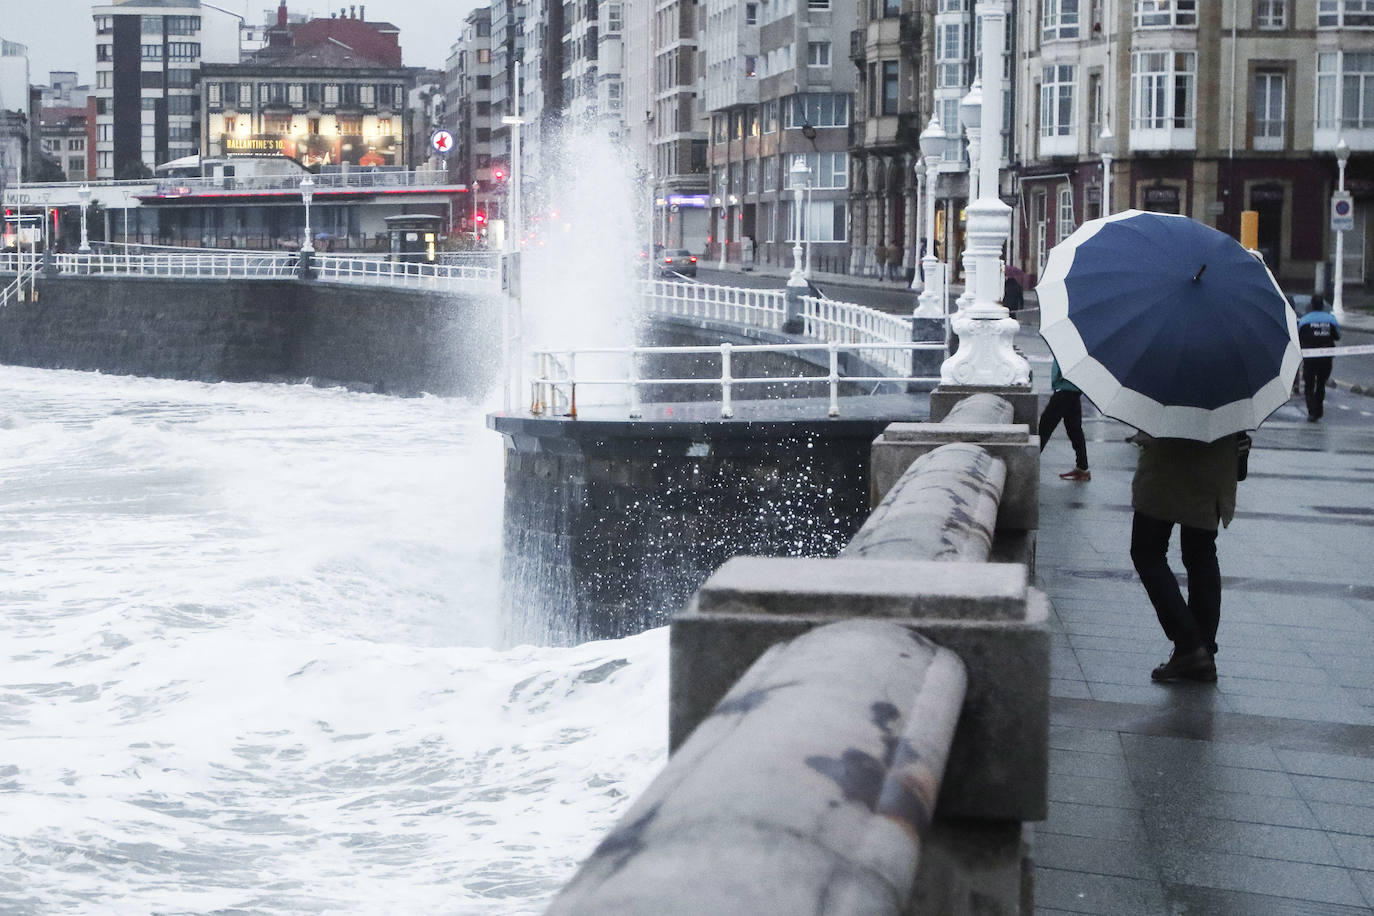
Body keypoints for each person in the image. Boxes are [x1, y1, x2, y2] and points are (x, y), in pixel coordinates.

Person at [1130, 433, 1244, 682]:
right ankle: (1203, 650)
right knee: (1200, 553)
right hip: (1216, 462)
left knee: (1147, 551)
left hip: (1166, 464)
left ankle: (1190, 646)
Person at [1038, 360, 1090, 481]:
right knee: (1074, 429)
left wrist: (1058, 379)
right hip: (1072, 388)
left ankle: (1029, 463)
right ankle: (1082, 468)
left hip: (1065, 389)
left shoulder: (1069, 344)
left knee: (1045, 426)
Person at [1297, 293, 1340, 422]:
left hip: (1309, 358)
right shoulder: (1331, 319)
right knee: (1321, 384)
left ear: (1311, 305)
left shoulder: (1304, 320)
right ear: (1322, 306)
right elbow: (1337, 336)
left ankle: (1312, 412)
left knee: (1309, 385)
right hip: (1326, 358)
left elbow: (1299, 337)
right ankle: (1319, 410)